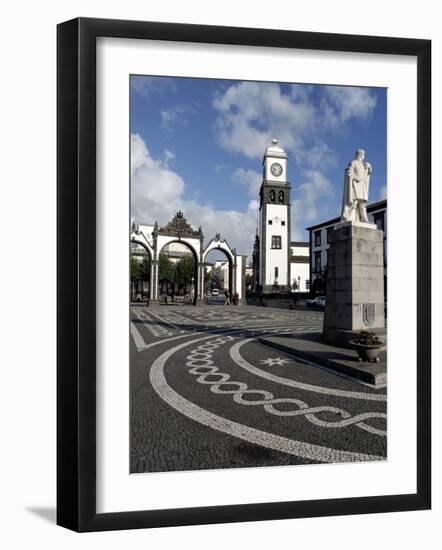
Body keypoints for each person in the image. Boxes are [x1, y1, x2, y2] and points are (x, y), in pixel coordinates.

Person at [341, 149, 372, 223]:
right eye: (363, 155)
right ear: (361, 155)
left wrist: (369, 167)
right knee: (354, 203)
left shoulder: (363, 165)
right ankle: (348, 218)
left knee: (362, 205)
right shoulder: (353, 162)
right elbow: (349, 172)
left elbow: (368, 172)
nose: (364, 156)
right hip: (355, 185)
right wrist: (356, 177)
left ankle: (365, 219)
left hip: (361, 186)